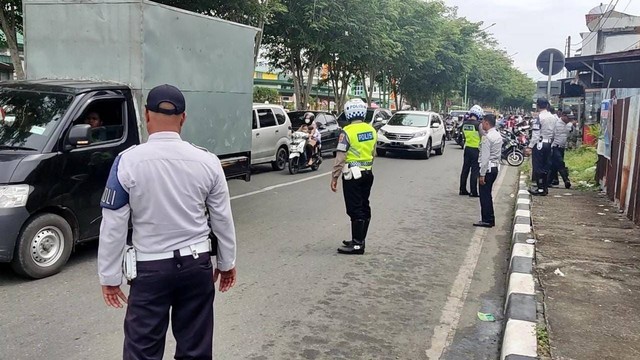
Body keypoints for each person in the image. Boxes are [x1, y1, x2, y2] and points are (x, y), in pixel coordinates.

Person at [97, 84, 237, 360]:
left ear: (146, 115)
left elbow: (113, 224)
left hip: (150, 271)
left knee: (142, 351)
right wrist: (227, 263)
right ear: (183, 118)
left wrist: (109, 277)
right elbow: (222, 218)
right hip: (196, 269)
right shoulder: (208, 162)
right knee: (195, 349)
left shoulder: (127, 162)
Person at [331, 99, 376, 255]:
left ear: (348, 113)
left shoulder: (347, 132)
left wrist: (334, 177)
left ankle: (357, 245)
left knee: (354, 208)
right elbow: (373, 153)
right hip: (368, 174)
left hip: (352, 176)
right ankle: (359, 239)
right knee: (364, 205)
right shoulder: (371, 130)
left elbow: (340, 157)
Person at [474, 114, 502, 228]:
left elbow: (485, 158)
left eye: (483, 122)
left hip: (488, 169)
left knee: (484, 195)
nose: (481, 125)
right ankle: (490, 218)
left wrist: (482, 174)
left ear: (486, 123)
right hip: (495, 167)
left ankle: (487, 219)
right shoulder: (497, 135)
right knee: (488, 194)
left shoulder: (487, 137)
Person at [526, 98, 556, 196]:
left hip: (539, 143)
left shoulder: (539, 117)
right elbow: (555, 132)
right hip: (549, 143)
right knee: (546, 167)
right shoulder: (553, 117)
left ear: (538, 106)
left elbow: (535, 134)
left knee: (538, 167)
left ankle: (540, 189)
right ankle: (545, 188)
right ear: (547, 105)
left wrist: (530, 147)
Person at [459, 105, 484, 197]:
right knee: (474, 171)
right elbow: (483, 137)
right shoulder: (479, 124)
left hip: (467, 148)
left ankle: (462, 189)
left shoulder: (464, 123)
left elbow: (463, 136)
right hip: (476, 150)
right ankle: (473, 191)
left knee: (465, 170)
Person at [548, 110, 573, 189]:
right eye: (568, 117)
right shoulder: (556, 123)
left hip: (562, 147)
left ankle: (548, 181)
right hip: (555, 146)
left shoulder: (569, 125)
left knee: (554, 166)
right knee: (560, 163)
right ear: (563, 115)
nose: (569, 119)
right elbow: (551, 135)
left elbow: (570, 134)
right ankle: (566, 180)